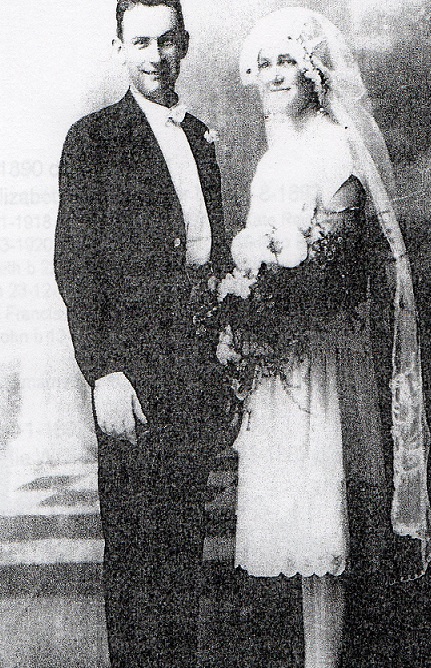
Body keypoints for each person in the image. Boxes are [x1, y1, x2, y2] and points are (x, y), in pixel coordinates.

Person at [225, 8, 431, 667]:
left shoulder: (335, 149)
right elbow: (260, 251)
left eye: (287, 63)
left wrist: (282, 289)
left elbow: (337, 268)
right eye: (265, 65)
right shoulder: (271, 157)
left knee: (323, 524)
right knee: (293, 525)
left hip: (320, 358)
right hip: (279, 361)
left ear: (315, 72)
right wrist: (248, 293)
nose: (274, 76)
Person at [54, 1, 232, 666]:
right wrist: (102, 371)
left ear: (183, 44)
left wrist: (224, 347)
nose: (155, 56)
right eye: (141, 42)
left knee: (183, 548)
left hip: (195, 365)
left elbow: (209, 251)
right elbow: (74, 264)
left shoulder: (201, 136)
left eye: (166, 41)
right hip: (130, 372)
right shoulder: (93, 138)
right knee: (135, 553)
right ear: (119, 47)